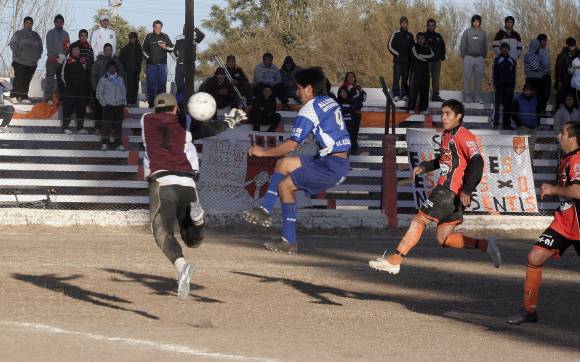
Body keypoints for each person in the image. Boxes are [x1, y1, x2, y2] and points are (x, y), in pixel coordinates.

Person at [369, 99, 501, 275]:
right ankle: (484, 245)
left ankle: (396, 259)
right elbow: (442, 161)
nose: (443, 117)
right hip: (453, 196)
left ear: (458, 116)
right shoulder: (447, 135)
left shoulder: (464, 136)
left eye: (448, 114)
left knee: (419, 220)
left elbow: (478, 161)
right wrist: (424, 167)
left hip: (447, 191)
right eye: (442, 113)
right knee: (443, 239)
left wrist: (468, 189)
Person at [141, 92, 246, 299]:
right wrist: (230, 121)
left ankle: (181, 267)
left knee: (162, 231)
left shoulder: (146, 120)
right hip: (187, 183)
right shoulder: (184, 122)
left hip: (163, 183)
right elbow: (207, 129)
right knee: (192, 240)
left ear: (155, 109)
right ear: (176, 109)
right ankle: (197, 221)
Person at [241, 67, 351, 254]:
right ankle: (265, 210)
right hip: (333, 160)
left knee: (284, 186)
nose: (297, 93)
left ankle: (289, 241)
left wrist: (262, 152)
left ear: (309, 89)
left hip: (330, 166)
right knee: (283, 164)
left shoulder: (309, 109)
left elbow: (292, 145)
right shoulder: (329, 101)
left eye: (299, 88)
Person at [507, 121, 580, 325]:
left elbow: (578, 191)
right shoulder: (568, 158)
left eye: (563, 133)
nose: (559, 136)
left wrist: (552, 189)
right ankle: (529, 311)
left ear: (573, 139)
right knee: (535, 256)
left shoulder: (577, 160)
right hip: (564, 224)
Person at [9, 17, 43, 105]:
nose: (29, 24)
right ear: (24, 24)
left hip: (32, 63)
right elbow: (12, 44)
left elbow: (40, 47)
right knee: (19, 79)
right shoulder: (18, 34)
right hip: (19, 61)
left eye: (30, 23)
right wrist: (19, 54)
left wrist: (37, 56)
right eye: (27, 23)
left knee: (27, 80)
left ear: (32, 24)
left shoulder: (36, 35)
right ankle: (14, 96)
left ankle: (24, 97)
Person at [60, 44, 91, 135]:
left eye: (78, 49)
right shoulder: (67, 61)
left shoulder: (83, 61)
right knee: (68, 109)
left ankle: (80, 128)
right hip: (70, 91)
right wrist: (68, 86)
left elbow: (88, 75)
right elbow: (62, 75)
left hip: (82, 91)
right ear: (71, 51)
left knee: (81, 110)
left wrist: (86, 87)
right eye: (74, 50)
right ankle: (65, 127)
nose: (76, 51)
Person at [142, 20, 174, 108]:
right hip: (151, 65)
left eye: (160, 27)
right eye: (156, 27)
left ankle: (161, 104)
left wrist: (165, 47)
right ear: (153, 27)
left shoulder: (165, 36)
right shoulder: (148, 36)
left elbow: (172, 48)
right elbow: (143, 49)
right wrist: (149, 58)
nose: (158, 29)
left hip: (162, 65)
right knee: (151, 84)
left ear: (162, 28)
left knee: (162, 85)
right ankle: (151, 103)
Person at [92, 43, 124, 129]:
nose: (108, 52)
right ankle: (98, 128)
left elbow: (121, 74)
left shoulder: (117, 62)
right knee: (99, 110)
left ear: (112, 51)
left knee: (112, 112)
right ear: (104, 51)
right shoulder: (98, 61)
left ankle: (111, 129)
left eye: (110, 50)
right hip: (101, 91)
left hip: (113, 93)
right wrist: (95, 88)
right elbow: (93, 75)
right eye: (106, 50)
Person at [96, 61, 126, 151]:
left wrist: (123, 102)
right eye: (110, 67)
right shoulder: (103, 79)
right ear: (107, 69)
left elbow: (123, 91)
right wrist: (104, 103)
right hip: (108, 106)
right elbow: (99, 93)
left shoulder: (120, 79)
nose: (112, 69)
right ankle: (105, 143)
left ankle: (118, 144)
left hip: (119, 106)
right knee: (106, 125)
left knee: (118, 126)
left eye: (114, 67)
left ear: (116, 69)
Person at [460, 15, 488, 104]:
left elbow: (485, 46)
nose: (476, 23)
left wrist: (483, 56)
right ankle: (468, 96)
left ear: (480, 22)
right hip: (468, 57)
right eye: (474, 21)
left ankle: (477, 97)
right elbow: (462, 45)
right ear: (472, 22)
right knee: (467, 78)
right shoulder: (467, 32)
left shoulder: (483, 33)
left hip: (479, 58)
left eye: (478, 21)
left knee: (478, 79)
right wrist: (464, 56)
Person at [173, 26, 205, 103]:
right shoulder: (178, 38)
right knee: (180, 86)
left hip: (190, 65)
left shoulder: (194, 37)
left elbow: (202, 36)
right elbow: (173, 51)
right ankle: (179, 104)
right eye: (185, 27)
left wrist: (195, 28)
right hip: (180, 66)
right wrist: (178, 59)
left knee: (190, 87)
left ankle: (189, 103)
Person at [388, 16, 414, 102]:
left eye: (405, 23)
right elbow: (389, 46)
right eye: (402, 23)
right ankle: (396, 95)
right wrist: (397, 54)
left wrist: (411, 59)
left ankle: (404, 95)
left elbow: (413, 49)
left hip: (407, 62)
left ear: (407, 24)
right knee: (396, 79)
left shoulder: (410, 35)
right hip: (398, 61)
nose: (404, 24)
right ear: (400, 24)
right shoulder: (395, 34)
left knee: (405, 79)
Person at [44, 14, 70, 103]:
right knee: (50, 80)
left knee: (62, 81)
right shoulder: (50, 33)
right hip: (51, 61)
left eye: (61, 22)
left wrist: (63, 56)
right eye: (57, 22)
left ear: (63, 23)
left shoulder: (66, 34)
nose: (59, 24)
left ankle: (61, 98)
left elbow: (67, 47)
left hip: (62, 62)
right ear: (54, 23)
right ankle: (48, 98)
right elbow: (49, 47)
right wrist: (57, 56)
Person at [408, 32, 434, 115]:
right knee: (413, 91)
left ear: (424, 39)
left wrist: (421, 57)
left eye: (422, 38)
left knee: (424, 91)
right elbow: (415, 56)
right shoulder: (413, 48)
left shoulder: (428, 48)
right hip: (414, 72)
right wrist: (424, 58)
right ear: (417, 39)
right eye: (419, 38)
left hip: (425, 73)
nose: (421, 40)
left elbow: (432, 56)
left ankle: (423, 108)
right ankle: (411, 108)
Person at [340, 72, 366, 154]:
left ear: (355, 78)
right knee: (348, 131)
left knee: (355, 131)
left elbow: (363, 97)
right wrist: (356, 96)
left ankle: (354, 148)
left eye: (352, 76)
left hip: (357, 113)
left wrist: (358, 95)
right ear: (346, 78)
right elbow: (348, 97)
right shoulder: (343, 87)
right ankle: (347, 149)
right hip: (348, 113)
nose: (351, 78)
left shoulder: (358, 87)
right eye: (349, 77)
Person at [492, 43, 516, 130]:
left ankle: (507, 124)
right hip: (499, 86)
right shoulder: (497, 59)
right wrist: (495, 85)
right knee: (497, 106)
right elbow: (494, 73)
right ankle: (495, 123)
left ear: (509, 50)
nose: (505, 50)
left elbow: (514, 74)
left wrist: (513, 85)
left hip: (509, 87)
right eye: (503, 49)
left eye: (506, 48)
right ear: (501, 50)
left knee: (508, 106)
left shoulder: (512, 60)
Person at [119, 32, 143, 107]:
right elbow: (120, 59)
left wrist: (138, 67)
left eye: (134, 38)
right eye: (131, 38)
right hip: (128, 71)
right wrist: (124, 69)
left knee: (135, 87)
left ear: (136, 38)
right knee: (129, 87)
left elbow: (141, 59)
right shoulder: (125, 48)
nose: (133, 39)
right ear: (129, 39)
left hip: (136, 70)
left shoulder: (139, 48)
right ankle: (128, 102)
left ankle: (134, 102)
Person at [425, 19, 446, 102]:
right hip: (426, 62)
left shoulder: (438, 36)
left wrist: (442, 57)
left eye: (432, 25)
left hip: (437, 62)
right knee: (425, 79)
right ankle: (424, 96)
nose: (431, 27)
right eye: (429, 25)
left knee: (436, 80)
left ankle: (435, 96)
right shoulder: (424, 36)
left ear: (435, 26)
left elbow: (443, 47)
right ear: (427, 26)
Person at [555, 37, 579, 107]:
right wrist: (559, 80)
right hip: (564, 81)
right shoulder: (562, 55)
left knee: (574, 100)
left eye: (573, 46)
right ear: (567, 45)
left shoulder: (577, 55)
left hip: (574, 82)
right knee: (562, 99)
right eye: (570, 46)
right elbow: (558, 68)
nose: (572, 47)